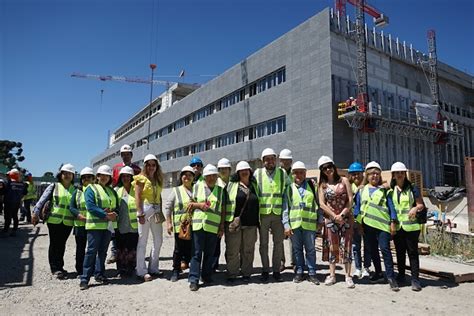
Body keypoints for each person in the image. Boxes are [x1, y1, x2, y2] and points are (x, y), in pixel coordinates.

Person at [353, 161, 399, 291]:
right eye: (372, 174)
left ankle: (391, 277)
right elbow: (357, 208)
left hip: (383, 226)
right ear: (367, 176)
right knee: (373, 250)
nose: (374, 176)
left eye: (377, 174)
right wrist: (359, 224)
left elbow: (391, 207)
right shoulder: (362, 190)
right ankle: (378, 273)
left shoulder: (385, 190)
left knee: (385, 250)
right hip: (367, 226)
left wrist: (393, 222)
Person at [32, 164, 76, 279]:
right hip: (54, 221)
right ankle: (55, 268)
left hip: (67, 222)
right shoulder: (54, 186)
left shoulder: (75, 190)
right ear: (60, 175)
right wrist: (35, 213)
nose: (67, 175)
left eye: (69, 174)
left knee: (62, 245)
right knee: (55, 244)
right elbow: (42, 200)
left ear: (73, 176)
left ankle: (60, 267)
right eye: (65, 173)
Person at [318, 156, 355, 288]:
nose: (328, 170)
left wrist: (343, 214)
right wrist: (334, 216)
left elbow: (350, 199)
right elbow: (322, 204)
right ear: (322, 171)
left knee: (347, 245)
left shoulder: (344, 180)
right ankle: (332, 275)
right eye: (324, 168)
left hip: (346, 219)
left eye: (329, 166)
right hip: (331, 219)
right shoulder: (322, 185)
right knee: (332, 245)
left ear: (334, 167)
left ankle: (348, 276)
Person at [79, 164, 118, 290]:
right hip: (95, 226)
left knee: (103, 252)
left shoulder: (111, 191)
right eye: (102, 175)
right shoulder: (91, 188)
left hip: (107, 227)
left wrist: (115, 214)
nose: (105, 178)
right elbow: (90, 206)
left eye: (107, 176)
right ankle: (84, 278)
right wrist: (106, 215)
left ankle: (99, 274)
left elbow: (117, 206)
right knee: (91, 251)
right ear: (98, 176)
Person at [187, 164, 225, 291]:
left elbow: (223, 210)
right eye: (209, 176)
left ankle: (206, 276)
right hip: (199, 225)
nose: (211, 178)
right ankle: (194, 279)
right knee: (196, 253)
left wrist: (221, 227)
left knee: (210, 254)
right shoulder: (197, 187)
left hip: (213, 227)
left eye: (214, 176)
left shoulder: (220, 190)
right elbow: (190, 204)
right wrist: (199, 205)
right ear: (204, 177)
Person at [282, 161, 320, 284]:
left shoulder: (313, 187)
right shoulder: (288, 189)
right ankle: (299, 272)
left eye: (301, 172)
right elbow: (285, 209)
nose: (298, 175)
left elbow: (318, 205)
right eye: (296, 173)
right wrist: (286, 225)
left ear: (305, 173)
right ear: (292, 174)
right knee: (297, 250)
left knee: (311, 250)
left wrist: (320, 221)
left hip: (309, 225)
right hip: (295, 225)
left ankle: (312, 273)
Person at [254, 148, 289, 282]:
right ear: (263, 161)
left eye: (272, 158)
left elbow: (288, 190)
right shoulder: (258, 173)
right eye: (267, 159)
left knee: (278, 243)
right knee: (263, 244)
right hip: (263, 214)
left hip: (278, 214)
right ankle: (265, 270)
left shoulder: (282, 173)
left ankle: (276, 270)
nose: (270, 161)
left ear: (276, 159)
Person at [390, 162, 425, 291]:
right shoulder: (391, 189)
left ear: (405, 174)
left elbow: (421, 204)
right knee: (399, 253)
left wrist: (415, 208)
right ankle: (401, 276)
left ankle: (415, 280)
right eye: (397, 173)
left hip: (411, 227)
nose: (399, 175)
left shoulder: (412, 188)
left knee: (413, 253)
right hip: (398, 227)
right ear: (393, 175)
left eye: (401, 173)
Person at [224, 161, 260, 284]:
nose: (245, 172)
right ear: (238, 173)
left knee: (248, 250)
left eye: (247, 170)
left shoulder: (255, 185)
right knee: (233, 250)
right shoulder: (231, 185)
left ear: (250, 171)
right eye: (241, 170)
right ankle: (232, 273)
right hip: (234, 223)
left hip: (251, 223)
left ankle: (246, 273)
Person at [135, 154, 164, 282]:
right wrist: (140, 213)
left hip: (156, 210)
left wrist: (161, 211)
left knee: (158, 240)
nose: (151, 167)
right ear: (145, 165)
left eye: (154, 165)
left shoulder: (158, 180)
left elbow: (160, 196)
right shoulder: (140, 179)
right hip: (145, 210)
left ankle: (153, 267)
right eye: (149, 165)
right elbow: (138, 196)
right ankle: (141, 270)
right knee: (142, 241)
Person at [110, 144, 141, 264]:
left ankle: (130, 262)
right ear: (121, 155)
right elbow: (113, 183)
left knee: (130, 239)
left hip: (131, 196)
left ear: (131, 155)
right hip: (120, 196)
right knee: (117, 234)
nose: (126, 156)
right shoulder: (116, 168)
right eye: (124, 154)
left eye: (128, 154)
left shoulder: (137, 169)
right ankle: (114, 253)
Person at [164, 166, 195, 282]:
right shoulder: (176, 190)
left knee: (192, 248)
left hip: (194, 225)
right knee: (178, 249)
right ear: (181, 177)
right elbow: (168, 208)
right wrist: (169, 223)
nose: (187, 177)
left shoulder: (196, 190)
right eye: (184, 175)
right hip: (180, 226)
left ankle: (191, 268)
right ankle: (176, 270)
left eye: (190, 175)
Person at [348, 162, 371, 279]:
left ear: (363, 174)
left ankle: (366, 268)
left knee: (368, 245)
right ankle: (358, 268)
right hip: (354, 221)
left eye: (358, 174)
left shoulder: (368, 186)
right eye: (353, 174)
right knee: (356, 246)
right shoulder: (349, 186)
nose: (356, 176)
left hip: (367, 221)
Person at [115, 166, 139, 277]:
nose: (125, 178)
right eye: (123, 176)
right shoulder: (117, 191)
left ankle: (131, 268)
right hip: (121, 225)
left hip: (134, 225)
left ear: (132, 177)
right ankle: (121, 269)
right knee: (121, 248)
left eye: (128, 176)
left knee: (132, 248)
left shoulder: (137, 190)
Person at [69, 167, 94, 275]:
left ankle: (90, 269)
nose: (86, 179)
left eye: (89, 177)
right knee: (80, 248)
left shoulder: (96, 191)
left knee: (92, 249)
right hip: (80, 225)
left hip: (93, 224)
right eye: (84, 177)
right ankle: (80, 269)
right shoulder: (77, 192)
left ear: (93, 178)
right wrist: (78, 215)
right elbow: (71, 206)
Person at [213, 158, 232, 271]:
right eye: (221, 169)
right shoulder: (215, 184)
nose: (223, 171)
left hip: (230, 218)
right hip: (217, 218)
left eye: (225, 168)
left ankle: (231, 265)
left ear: (230, 169)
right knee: (215, 244)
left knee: (231, 245)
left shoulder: (234, 184)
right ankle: (214, 265)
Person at [279, 148, 294, 271]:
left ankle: (294, 261)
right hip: (279, 207)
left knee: (293, 236)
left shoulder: (295, 173)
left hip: (292, 207)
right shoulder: (277, 173)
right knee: (279, 237)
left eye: (288, 161)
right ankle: (281, 262)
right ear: (280, 161)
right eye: (284, 161)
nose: (286, 163)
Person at [1, 169, 27, 237]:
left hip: (8, 202)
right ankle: (14, 230)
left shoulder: (8, 183)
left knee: (7, 216)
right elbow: (25, 192)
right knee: (15, 216)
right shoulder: (22, 184)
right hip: (17, 202)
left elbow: (2, 192)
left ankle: (6, 230)